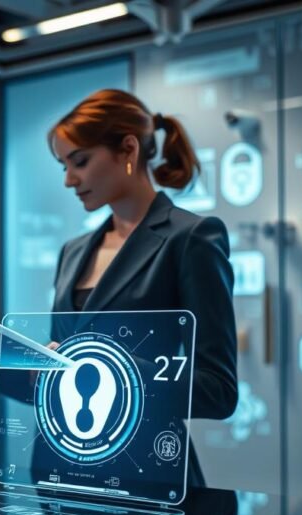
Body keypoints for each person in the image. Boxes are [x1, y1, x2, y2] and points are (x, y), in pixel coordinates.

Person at [46, 88, 238, 487]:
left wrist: (108, 371)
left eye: (79, 161)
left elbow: (218, 391)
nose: (69, 180)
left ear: (128, 149)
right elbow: (56, 369)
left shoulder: (192, 238)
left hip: (149, 471)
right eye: (64, 165)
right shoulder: (73, 251)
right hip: (63, 471)